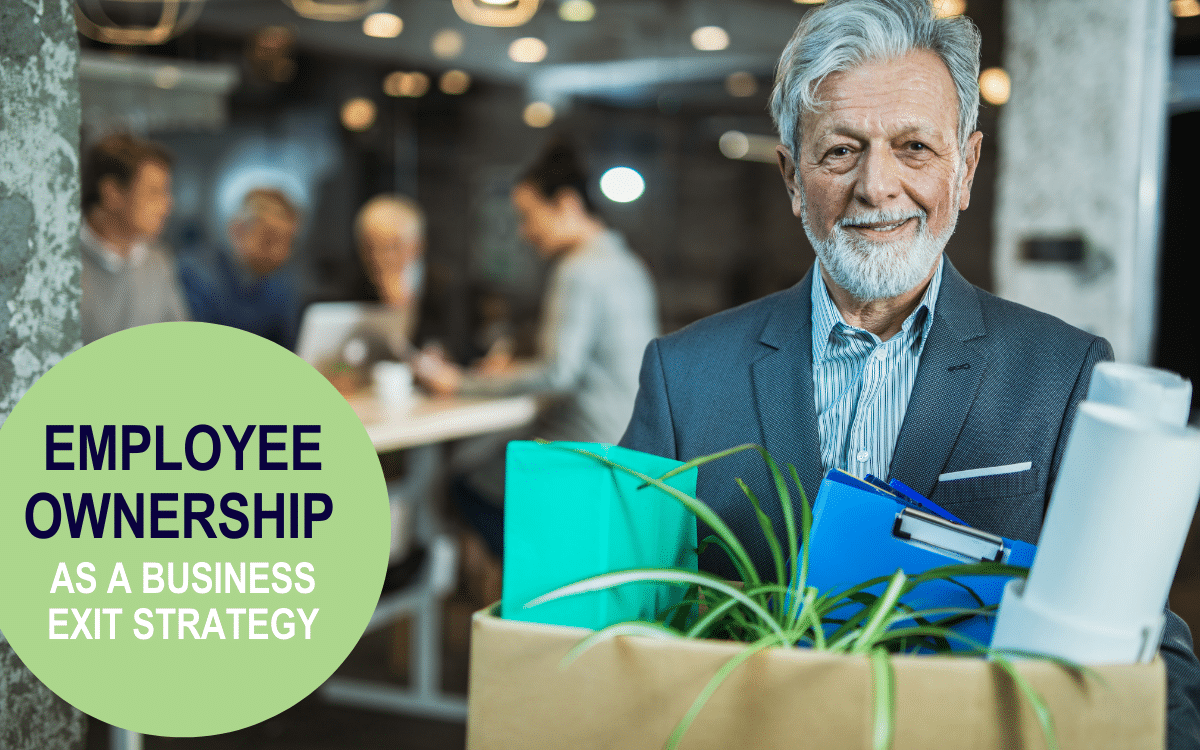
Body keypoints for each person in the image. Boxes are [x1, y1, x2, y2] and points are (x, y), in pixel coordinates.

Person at [617, 0, 1200, 746]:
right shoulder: (683, 376)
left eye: (915, 147)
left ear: (966, 168)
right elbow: (622, 624)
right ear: (793, 177)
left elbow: (1147, 646)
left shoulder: (1063, 376)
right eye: (840, 151)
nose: (878, 186)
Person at [417, 141, 659, 560]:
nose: (523, 232)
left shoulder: (578, 269)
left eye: (528, 217)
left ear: (565, 204)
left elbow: (558, 374)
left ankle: (538, 580)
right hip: (633, 443)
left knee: (463, 480)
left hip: (588, 445)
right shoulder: (627, 264)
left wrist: (460, 382)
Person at [80, 132, 189, 344]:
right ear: (112, 193)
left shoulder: (157, 260)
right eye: (155, 193)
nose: (168, 205)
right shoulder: (55, 266)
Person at [179, 187, 302, 350]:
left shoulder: (281, 286)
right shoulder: (195, 275)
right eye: (269, 240)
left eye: (288, 242)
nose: (279, 253)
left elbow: (288, 351)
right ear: (237, 230)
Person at [354, 193, 426, 343]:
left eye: (392, 247)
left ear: (417, 246)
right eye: (370, 248)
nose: (380, 258)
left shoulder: (442, 284)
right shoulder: (354, 286)